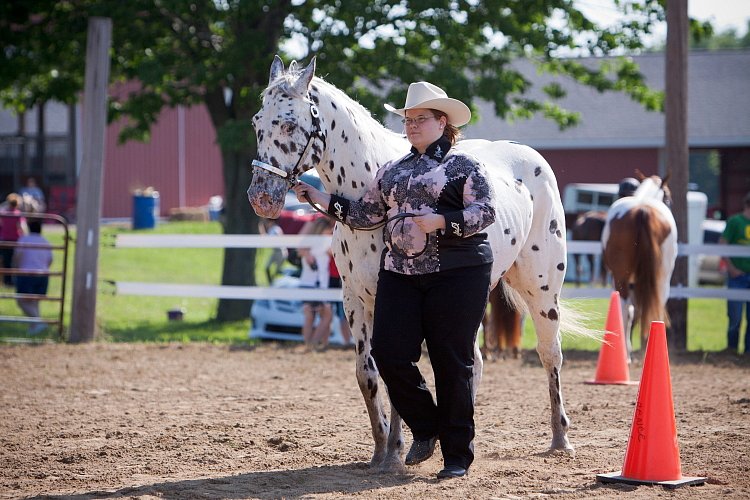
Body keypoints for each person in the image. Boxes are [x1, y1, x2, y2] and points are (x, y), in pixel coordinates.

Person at [292, 81, 495, 479]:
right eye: (407, 119)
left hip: (457, 274)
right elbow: (365, 215)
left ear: (442, 122)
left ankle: (456, 458)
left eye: (420, 119)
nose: (412, 125)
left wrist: (444, 222)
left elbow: (486, 212)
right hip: (402, 273)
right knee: (387, 351)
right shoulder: (392, 171)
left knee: (451, 361)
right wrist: (319, 198)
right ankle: (428, 426)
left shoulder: (464, 166)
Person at [719, 191, 750, 354]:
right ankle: (732, 350)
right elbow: (723, 244)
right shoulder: (735, 222)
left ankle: (747, 352)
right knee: (735, 317)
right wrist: (731, 268)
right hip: (737, 276)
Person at [298, 217, 334, 352]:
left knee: (309, 316)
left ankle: (308, 344)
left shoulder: (307, 247)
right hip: (318, 286)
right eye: (328, 230)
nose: (330, 232)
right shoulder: (324, 244)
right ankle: (313, 344)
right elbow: (334, 251)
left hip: (305, 284)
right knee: (327, 316)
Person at [13, 219, 53, 335]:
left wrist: (15, 269)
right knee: (34, 302)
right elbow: (50, 259)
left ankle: (38, 321)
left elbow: (17, 256)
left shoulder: (24, 239)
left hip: (27, 274)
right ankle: (35, 328)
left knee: (21, 301)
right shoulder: (45, 241)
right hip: (43, 275)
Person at [0, 194, 25, 286]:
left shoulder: (3, 213)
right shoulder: (18, 214)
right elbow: (22, 227)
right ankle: (14, 281)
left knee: (6, 261)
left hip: (5, 239)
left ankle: (6, 281)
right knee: (15, 261)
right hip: (15, 240)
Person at [258, 217, 288, 284]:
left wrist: (261, 228)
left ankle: (275, 284)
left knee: (278, 272)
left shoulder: (275, 230)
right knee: (267, 268)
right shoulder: (274, 229)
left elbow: (267, 240)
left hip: (280, 252)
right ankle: (272, 283)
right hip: (276, 252)